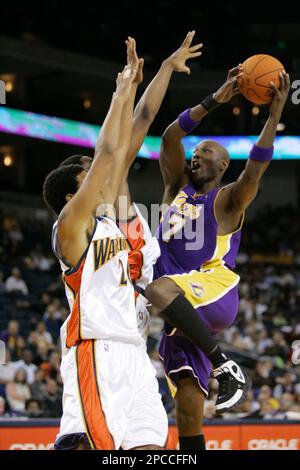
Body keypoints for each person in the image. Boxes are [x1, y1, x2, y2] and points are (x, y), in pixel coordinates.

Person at [145, 67, 290, 449]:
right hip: (182, 306)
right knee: (188, 401)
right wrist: (214, 99)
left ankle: (227, 365)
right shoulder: (176, 188)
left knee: (155, 288)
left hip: (211, 289)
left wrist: (273, 117)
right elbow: (170, 135)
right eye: (195, 152)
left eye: (205, 152)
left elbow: (256, 169)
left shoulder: (226, 200)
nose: (195, 155)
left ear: (223, 165)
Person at [43, 45, 168, 451]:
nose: (102, 181)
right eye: (88, 179)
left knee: (151, 450)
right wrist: (121, 91)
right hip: (97, 350)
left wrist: (143, 79)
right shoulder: (71, 228)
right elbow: (109, 153)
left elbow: (135, 133)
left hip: (136, 354)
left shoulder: (109, 219)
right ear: (68, 196)